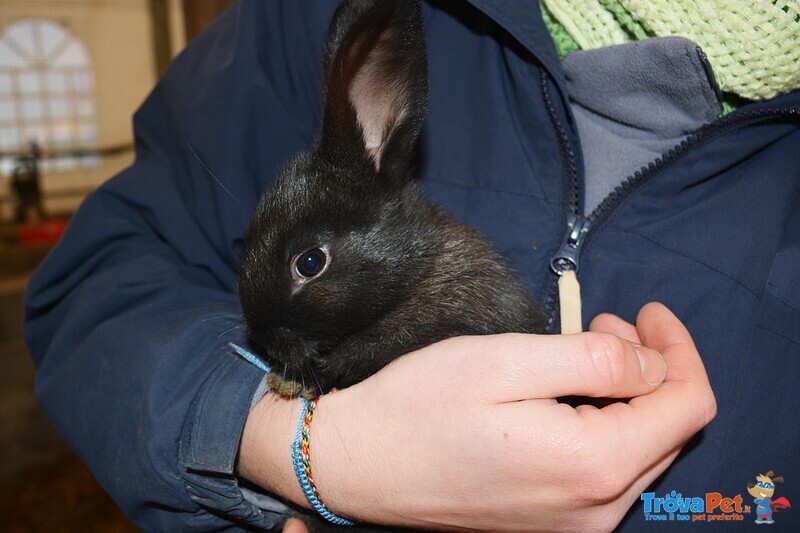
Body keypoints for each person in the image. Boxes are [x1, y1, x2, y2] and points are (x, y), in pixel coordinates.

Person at [23, 1, 798, 531]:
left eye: (310, 264)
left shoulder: (446, 275)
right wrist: (299, 450)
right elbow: (94, 279)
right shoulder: (297, 25)